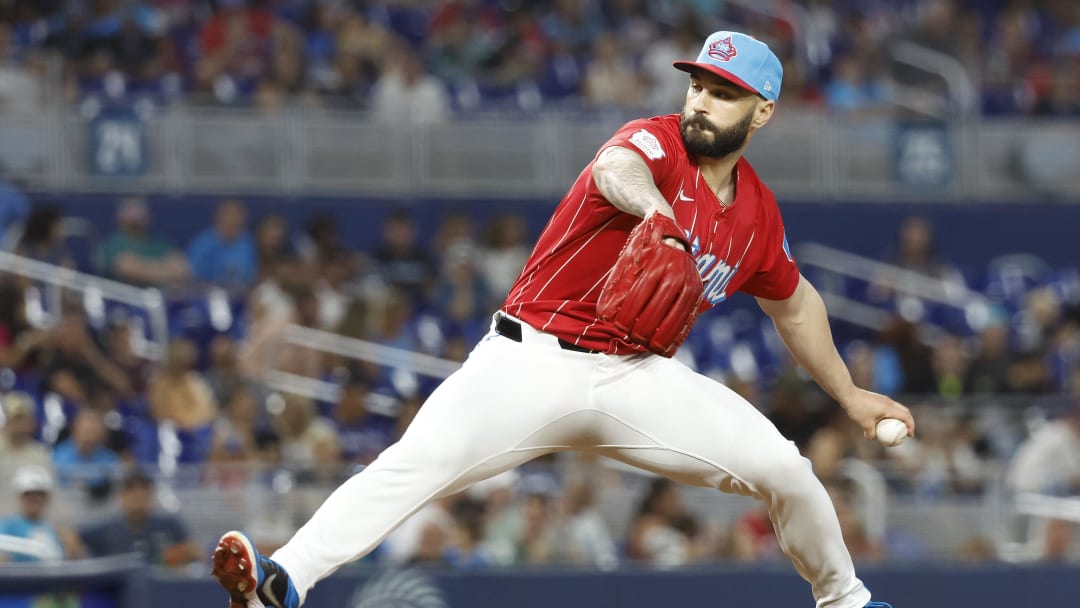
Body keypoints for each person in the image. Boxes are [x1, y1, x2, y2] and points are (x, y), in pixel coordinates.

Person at [212, 31, 911, 608]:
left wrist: (848, 396)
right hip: (530, 360)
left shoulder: (756, 215)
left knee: (785, 470)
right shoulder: (657, 143)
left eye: (724, 93)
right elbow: (615, 170)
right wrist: (658, 215)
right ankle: (283, 579)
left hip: (638, 377)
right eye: (697, 84)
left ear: (761, 113)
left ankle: (846, 600)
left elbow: (794, 302)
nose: (702, 100)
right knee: (417, 464)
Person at [80, 469, 200, 567]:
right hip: (115, 589)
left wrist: (179, 555)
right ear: (121, 495)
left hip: (160, 588)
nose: (138, 494)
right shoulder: (107, 527)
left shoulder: (169, 524)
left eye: (143, 488)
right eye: (131, 489)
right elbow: (74, 537)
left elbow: (195, 553)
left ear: (151, 493)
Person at [0, 465, 82, 563]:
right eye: (29, 494)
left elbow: (75, 562)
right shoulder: (8, 525)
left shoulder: (56, 529)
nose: (35, 499)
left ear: (47, 498)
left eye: (40, 494)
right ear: (20, 497)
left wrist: (74, 549)